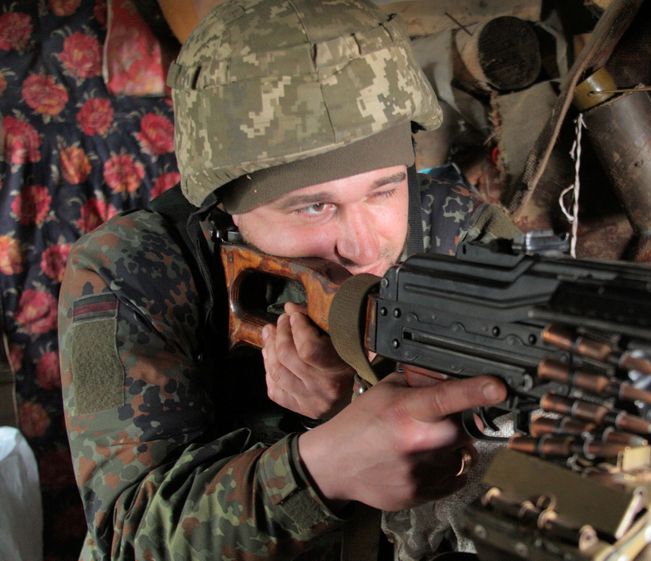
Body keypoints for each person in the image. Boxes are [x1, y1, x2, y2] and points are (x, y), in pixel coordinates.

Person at [58, 1, 520, 559]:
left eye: (384, 189)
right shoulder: (128, 272)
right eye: (312, 207)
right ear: (227, 209)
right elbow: (127, 539)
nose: (364, 245)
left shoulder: (459, 233)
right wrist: (319, 466)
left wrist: (360, 400)